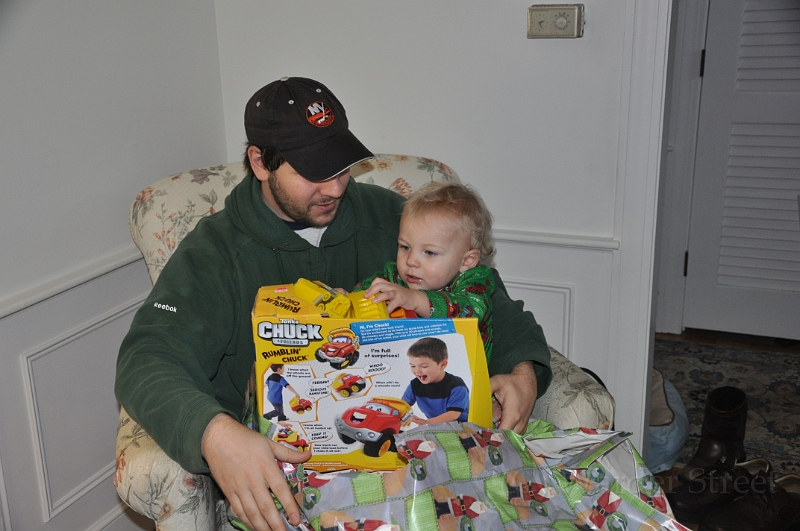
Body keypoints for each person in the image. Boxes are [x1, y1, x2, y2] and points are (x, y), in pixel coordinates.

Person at [115, 76, 551, 531]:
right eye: (313, 173)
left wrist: (523, 374)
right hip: (291, 468)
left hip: (414, 465)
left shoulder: (395, 217)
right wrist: (215, 434)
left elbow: (489, 300)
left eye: (341, 168)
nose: (336, 189)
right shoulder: (213, 253)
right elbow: (146, 357)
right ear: (260, 162)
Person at [354, 180, 496, 364]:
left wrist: (415, 299)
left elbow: (470, 313)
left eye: (429, 252)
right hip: (408, 365)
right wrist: (346, 302)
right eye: (405, 247)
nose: (411, 261)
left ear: (466, 261)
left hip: (465, 371)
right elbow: (365, 293)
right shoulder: (393, 276)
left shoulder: (475, 281)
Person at [402, 337, 470, 425]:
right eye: (413, 366)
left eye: (424, 366)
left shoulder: (456, 385)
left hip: (462, 426)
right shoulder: (414, 385)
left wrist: (426, 422)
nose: (417, 371)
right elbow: (402, 405)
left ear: (442, 365)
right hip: (436, 426)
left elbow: (453, 414)